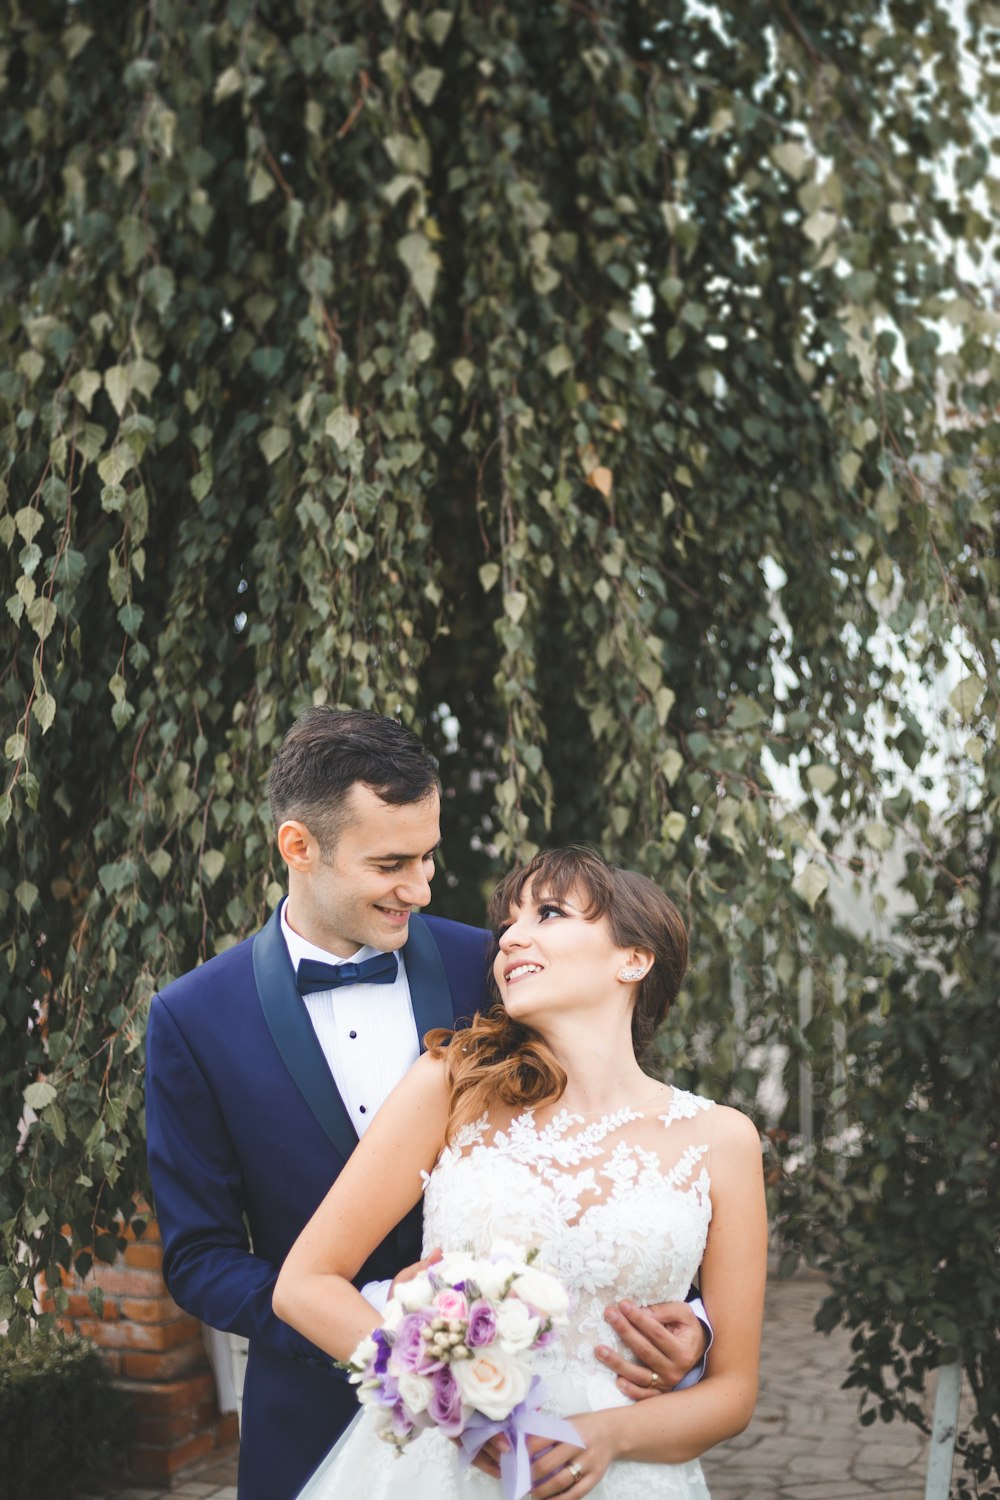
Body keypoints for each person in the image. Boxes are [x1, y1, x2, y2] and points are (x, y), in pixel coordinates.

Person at [145, 710, 710, 1500]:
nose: (422, 887)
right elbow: (198, 1258)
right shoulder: (192, 1020)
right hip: (311, 1419)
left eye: (428, 857)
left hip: (535, 1414)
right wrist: (384, 1323)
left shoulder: (489, 963)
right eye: (391, 864)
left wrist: (694, 1322)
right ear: (299, 848)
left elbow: (610, 1146)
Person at [274, 846, 768, 1500]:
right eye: (507, 923)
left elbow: (733, 1392)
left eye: (549, 912)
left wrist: (606, 1436)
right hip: (445, 1467)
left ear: (634, 958)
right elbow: (303, 1286)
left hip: (625, 1472)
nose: (511, 937)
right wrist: (442, 1378)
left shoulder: (722, 1139)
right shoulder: (451, 1088)